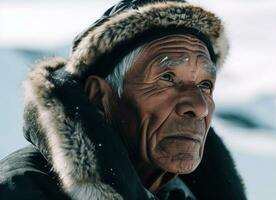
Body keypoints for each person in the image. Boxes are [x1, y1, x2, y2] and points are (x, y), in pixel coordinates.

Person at [0, 0, 246, 199]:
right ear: (98, 97)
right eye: (168, 77)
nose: (199, 107)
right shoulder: (23, 188)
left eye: (205, 85)